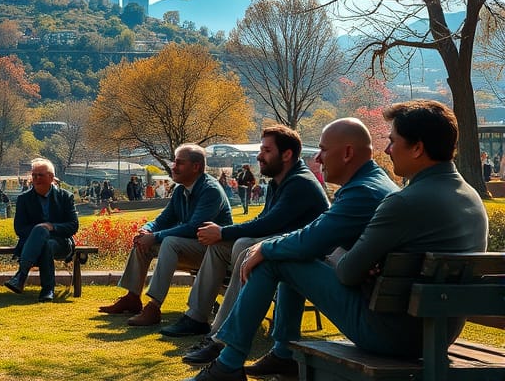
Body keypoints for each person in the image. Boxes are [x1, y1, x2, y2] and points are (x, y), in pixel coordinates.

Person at [190, 102, 489, 381]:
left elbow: (347, 272)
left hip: (393, 335)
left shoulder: (403, 202)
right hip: (437, 330)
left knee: (276, 258)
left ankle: (229, 363)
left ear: (418, 148)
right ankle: (280, 354)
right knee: (293, 252)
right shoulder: (471, 198)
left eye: (393, 141)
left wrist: (290, 250)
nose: (387, 149)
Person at [182, 118, 395, 365]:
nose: (319, 159)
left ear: (347, 152)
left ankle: (228, 358)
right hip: (383, 307)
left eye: (324, 150)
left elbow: (310, 238)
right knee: (277, 252)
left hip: (377, 324)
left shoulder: (360, 190)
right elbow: (314, 237)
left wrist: (264, 246)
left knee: (273, 257)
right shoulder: (370, 183)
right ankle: (280, 352)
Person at [160, 125, 330, 338]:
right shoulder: (280, 181)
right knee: (220, 246)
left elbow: (269, 224)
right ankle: (196, 317)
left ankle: (224, 332)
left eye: (267, 151)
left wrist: (222, 231)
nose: (260, 156)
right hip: (284, 247)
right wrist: (222, 235)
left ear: (286, 155)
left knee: (242, 245)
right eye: (261, 150)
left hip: (303, 255)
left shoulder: (300, 183)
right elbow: (263, 220)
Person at [99, 144, 231, 326]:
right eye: (174, 162)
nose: (173, 167)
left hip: (213, 252)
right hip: (193, 248)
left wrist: (155, 236)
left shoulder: (210, 191)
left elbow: (194, 228)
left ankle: (153, 307)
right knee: (143, 242)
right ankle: (132, 297)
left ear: (196, 166)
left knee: (169, 242)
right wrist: (146, 230)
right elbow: (163, 219)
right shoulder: (181, 190)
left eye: (179, 163)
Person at [4, 157, 79, 302]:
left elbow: (73, 225)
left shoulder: (65, 197)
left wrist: (52, 227)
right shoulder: (24, 199)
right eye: (34, 175)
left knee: (45, 234)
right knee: (44, 241)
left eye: (41, 175)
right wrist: (39, 232)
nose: (36, 178)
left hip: (61, 243)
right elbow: (19, 228)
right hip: (32, 244)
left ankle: (21, 276)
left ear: (51, 177)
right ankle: (47, 290)